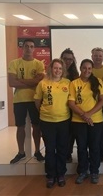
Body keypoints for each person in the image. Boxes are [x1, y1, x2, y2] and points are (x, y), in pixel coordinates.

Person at [34, 59, 70, 188]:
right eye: (55, 68)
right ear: (50, 69)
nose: (58, 71)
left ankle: (60, 174)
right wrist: (46, 112)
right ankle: (50, 175)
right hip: (47, 122)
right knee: (50, 149)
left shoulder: (68, 83)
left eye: (60, 68)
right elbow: (37, 101)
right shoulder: (43, 83)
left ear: (63, 70)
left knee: (61, 149)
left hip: (64, 121)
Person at [8, 38, 45, 164]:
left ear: (34, 48)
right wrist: (31, 81)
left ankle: (37, 151)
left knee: (37, 126)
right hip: (19, 100)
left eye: (31, 46)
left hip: (34, 99)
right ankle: (21, 152)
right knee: (20, 126)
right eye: (26, 46)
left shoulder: (39, 64)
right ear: (22, 48)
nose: (29, 48)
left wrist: (20, 81)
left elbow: (39, 82)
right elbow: (12, 83)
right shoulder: (14, 63)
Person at [68, 59, 103, 184]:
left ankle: (94, 171)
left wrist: (89, 114)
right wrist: (83, 115)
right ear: (80, 68)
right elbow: (71, 103)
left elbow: (101, 101)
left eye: (89, 68)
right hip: (78, 121)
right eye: (84, 68)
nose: (87, 71)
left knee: (94, 147)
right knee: (81, 147)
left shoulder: (98, 82)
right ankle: (83, 171)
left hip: (96, 120)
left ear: (92, 69)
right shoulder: (74, 83)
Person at [60, 48, 79, 163]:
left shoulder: (75, 75)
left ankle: (68, 153)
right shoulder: (55, 71)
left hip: (71, 108)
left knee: (70, 133)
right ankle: (61, 153)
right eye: (65, 59)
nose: (68, 61)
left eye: (70, 59)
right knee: (62, 133)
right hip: (58, 108)